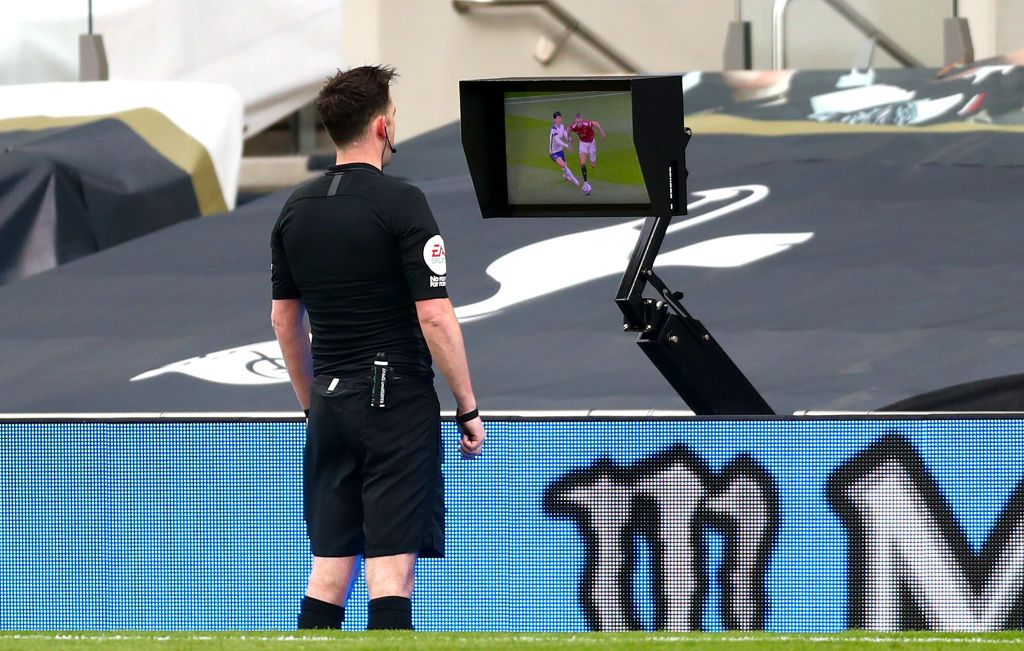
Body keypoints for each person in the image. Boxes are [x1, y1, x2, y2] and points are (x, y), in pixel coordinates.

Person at [269, 64, 486, 631]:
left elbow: (283, 320)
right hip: (394, 402)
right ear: (383, 127)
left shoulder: (295, 208)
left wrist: (310, 402)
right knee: (391, 572)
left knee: (329, 570)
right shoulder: (402, 202)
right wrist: (467, 405)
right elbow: (435, 315)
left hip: (330, 406)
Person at [569, 112, 606, 187]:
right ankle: (585, 181)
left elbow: (596, 123)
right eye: (577, 122)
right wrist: (569, 139)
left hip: (592, 143)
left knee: (593, 164)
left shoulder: (587, 124)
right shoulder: (573, 126)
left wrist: (602, 132)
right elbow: (567, 130)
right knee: (582, 164)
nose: (578, 123)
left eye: (579, 121)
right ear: (575, 121)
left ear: (582, 120)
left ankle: (592, 165)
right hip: (583, 144)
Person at [549, 111, 580, 187]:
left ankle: (565, 175)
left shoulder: (562, 126)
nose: (560, 119)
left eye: (560, 117)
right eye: (558, 118)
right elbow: (558, 141)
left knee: (564, 166)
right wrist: (567, 145)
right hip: (554, 152)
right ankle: (575, 181)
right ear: (554, 119)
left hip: (560, 150)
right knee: (564, 166)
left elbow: (565, 134)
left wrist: (569, 139)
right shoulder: (553, 129)